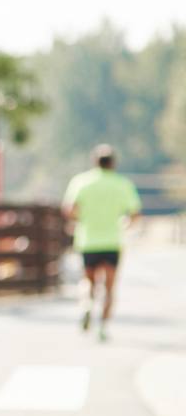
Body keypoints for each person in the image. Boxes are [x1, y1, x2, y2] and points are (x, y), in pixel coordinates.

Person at [62, 144, 142, 342]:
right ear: (113, 163)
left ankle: (87, 305)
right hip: (112, 241)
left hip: (88, 240)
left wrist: (79, 220)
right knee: (109, 287)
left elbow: (69, 208)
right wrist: (124, 226)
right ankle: (103, 327)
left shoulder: (81, 181)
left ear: (94, 162)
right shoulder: (122, 183)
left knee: (88, 280)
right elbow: (134, 214)